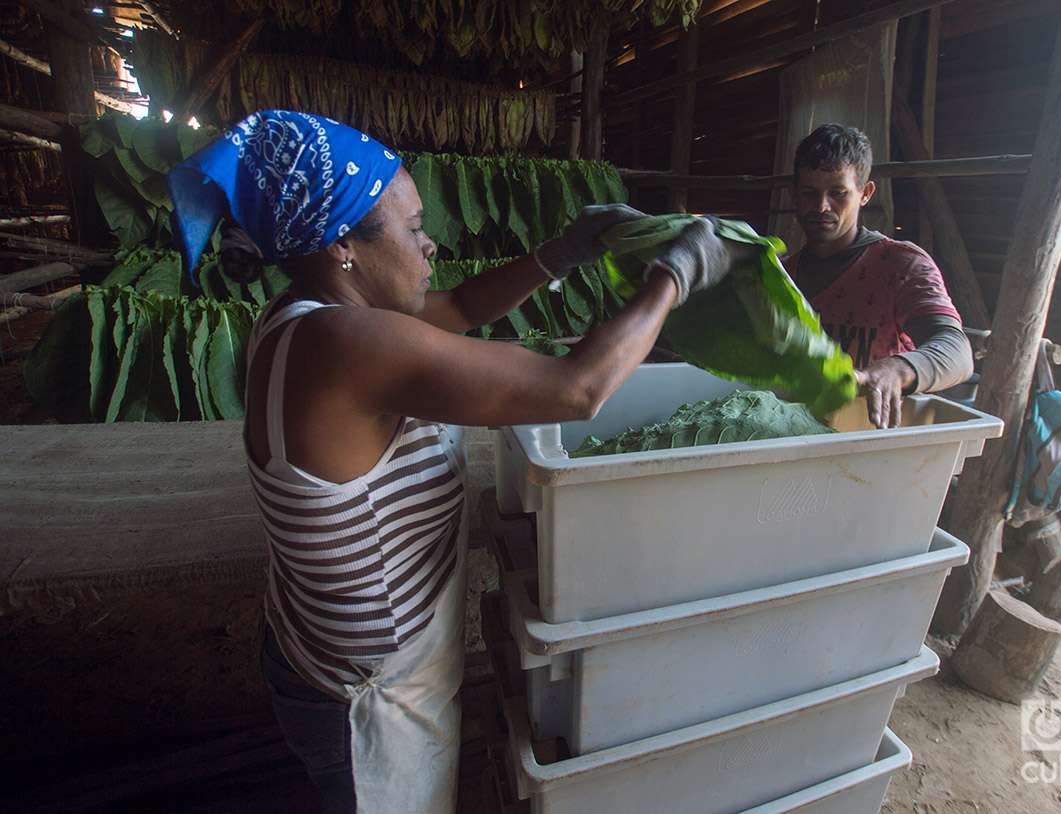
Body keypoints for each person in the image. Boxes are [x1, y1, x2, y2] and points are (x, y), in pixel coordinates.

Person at [168, 110, 733, 814]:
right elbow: (578, 388)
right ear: (344, 244)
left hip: (318, 650)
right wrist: (674, 279)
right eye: (411, 228)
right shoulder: (349, 346)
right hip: (366, 694)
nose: (430, 243)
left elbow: (460, 304)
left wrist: (558, 254)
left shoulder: (301, 315)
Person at [783, 124, 974, 429]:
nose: (821, 207)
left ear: (865, 193)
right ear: (794, 194)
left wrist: (897, 370)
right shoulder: (782, 275)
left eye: (838, 193)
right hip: (789, 438)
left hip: (871, 443)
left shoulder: (900, 265)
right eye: (809, 193)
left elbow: (956, 350)